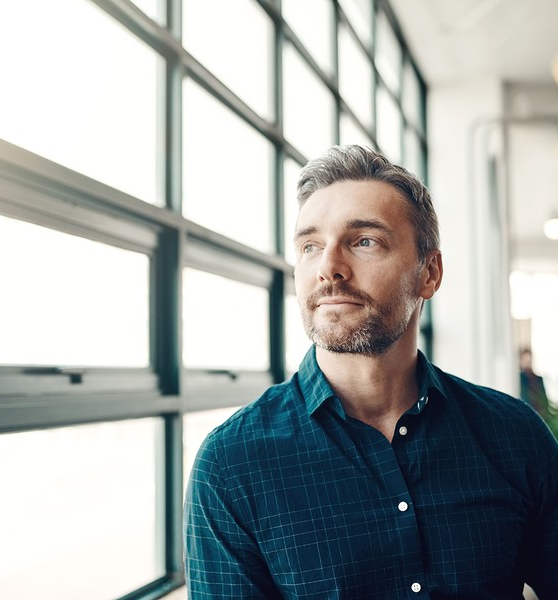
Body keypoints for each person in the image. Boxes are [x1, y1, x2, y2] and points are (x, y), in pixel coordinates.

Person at [183, 145, 558, 599]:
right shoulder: (231, 465)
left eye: (364, 241)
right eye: (310, 246)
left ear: (429, 273)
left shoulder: (514, 434)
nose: (329, 269)